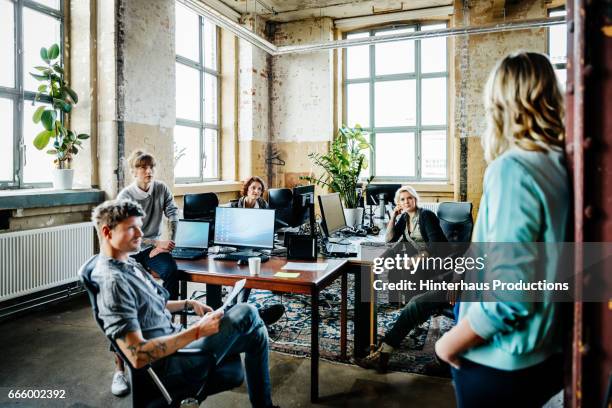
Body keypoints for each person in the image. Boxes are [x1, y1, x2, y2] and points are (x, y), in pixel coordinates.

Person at [434, 52, 568, 407]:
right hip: (547, 352)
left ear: (501, 104)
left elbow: (511, 292)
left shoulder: (513, 169)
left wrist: (449, 342)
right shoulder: (561, 165)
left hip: (501, 360)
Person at [91, 199, 279, 408]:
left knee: (256, 333)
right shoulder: (112, 283)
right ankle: (257, 319)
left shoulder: (126, 265)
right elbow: (138, 356)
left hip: (177, 339)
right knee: (247, 312)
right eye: (132, 228)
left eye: (139, 227)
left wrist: (188, 303)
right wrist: (197, 331)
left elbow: (149, 307)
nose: (141, 234)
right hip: (175, 361)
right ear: (108, 232)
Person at [356, 185, 452, 373]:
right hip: (422, 262)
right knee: (396, 254)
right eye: (402, 199)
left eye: (409, 198)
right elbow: (391, 240)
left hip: (439, 263)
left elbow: (438, 246)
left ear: (415, 199)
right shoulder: (405, 218)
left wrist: (417, 258)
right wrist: (393, 217)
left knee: (404, 266)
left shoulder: (425, 216)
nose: (406, 202)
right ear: (398, 203)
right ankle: (407, 315)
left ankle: (388, 346)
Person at [110, 150, 180, 396]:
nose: (148, 171)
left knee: (172, 271)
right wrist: (153, 244)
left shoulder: (160, 189)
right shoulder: (125, 196)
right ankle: (119, 369)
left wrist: (168, 237)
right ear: (134, 171)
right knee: (123, 303)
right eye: (142, 167)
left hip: (153, 248)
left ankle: (165, 326)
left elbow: (174, 212)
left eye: (151, 167)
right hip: (129, 252)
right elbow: (124, 236)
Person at [231, 176, 285, 326]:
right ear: (247, 189)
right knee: (246, 269)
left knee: (258, 265)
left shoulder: (263, 204)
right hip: (238, 244)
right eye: (253, 188)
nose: (256, 191)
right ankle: (244, 312)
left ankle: (241, 310)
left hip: (257, 243)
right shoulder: (236, 205)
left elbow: (266, 226)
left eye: (259, 189)